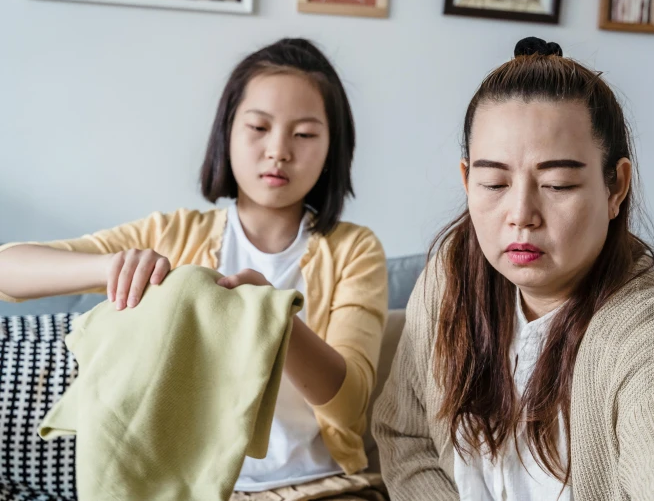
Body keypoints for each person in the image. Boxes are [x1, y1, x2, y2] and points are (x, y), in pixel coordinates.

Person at [0, 38, 388, 499]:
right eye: (259, 127)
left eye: (304, 134)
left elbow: (350, 406)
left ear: (332, 148)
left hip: (319, 486)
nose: (279, 150)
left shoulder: (354, 249)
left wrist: (273, 317)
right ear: (227, 133)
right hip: (184, 486)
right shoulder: (172, 233)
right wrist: (113, 266)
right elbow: (9, 270)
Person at [372, 37, 654, 500]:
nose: (521, 213)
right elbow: (406, 438)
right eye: (494, 182)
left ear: (615, 187)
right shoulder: (450, 278)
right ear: (467, 181)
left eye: (557, 184)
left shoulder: (651, 335)